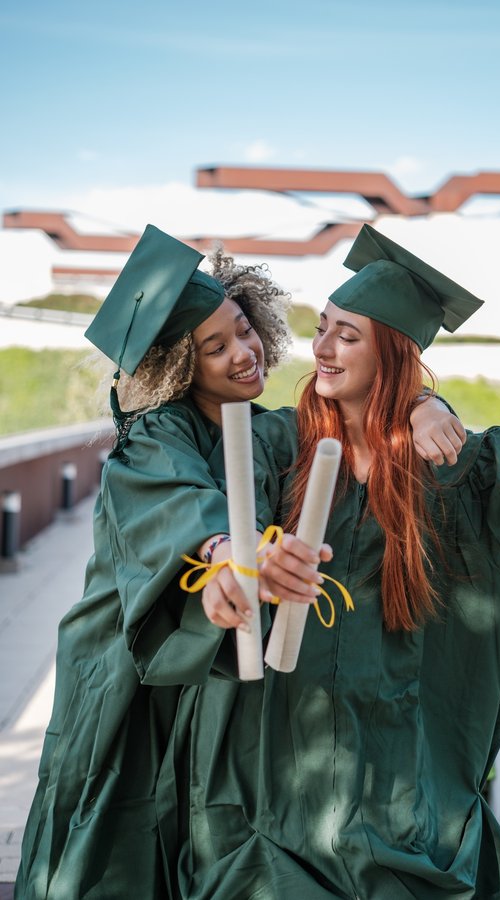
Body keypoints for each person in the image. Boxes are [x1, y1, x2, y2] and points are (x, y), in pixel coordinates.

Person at [15, 224, 462, 899]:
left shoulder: (266, 429)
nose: (245, 354)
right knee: (121, 832)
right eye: (215, 347)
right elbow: (181, 506)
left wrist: (425, 402)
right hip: (134, 660)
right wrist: (227, 556)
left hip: (205, 657)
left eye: (244, 330)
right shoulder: (157, 436)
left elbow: (354, 416)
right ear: (177, 365)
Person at [197, 224, 500, 899]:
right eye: (322, 327)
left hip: (408, 773)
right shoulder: (275, 446)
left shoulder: (459, 467)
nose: (321, 349)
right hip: (285, 761)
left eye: (348, 336)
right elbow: (197, 500)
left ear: (392, 356)